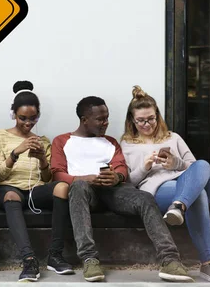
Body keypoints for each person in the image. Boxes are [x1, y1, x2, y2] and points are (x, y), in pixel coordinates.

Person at [51, 96, 192, 283]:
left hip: (113, 191)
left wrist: (116, 176)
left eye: (107, 118)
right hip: (84, 192)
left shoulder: (111, 142)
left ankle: (170, 260)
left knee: (144, 198)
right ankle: (89, 259)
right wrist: (85, 178)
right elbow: (57, 174)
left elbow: (121, 168)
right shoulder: (62, 141)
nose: (106, 123)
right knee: (77, 187)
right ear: (84, 120)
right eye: (100, 119)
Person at [121, 85, 210, 282]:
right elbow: (129, 183)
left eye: (151, 118)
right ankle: (209, 264)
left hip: (185, 184)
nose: (147, 124)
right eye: (141, 120)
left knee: (203, 164)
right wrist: (145, 167)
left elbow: (196, 169)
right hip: (157, 190)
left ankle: (179, 206)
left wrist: (176, 163)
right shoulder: (127, 144)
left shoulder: (173, 137)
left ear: (158, 115)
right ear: (132, 120)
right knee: (199, 196)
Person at [0, 81, 73, 281]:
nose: (28, 123)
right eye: (22, 118)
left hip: (35, 190)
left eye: (33, 118)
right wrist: (15, 153)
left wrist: (43, 161)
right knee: (11, 195)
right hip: (9, 188)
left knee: (62, 187)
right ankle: (29, 259)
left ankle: (55, 255)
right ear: (13, 115)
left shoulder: (43, 140)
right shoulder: (0, 135)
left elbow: (47, 179)